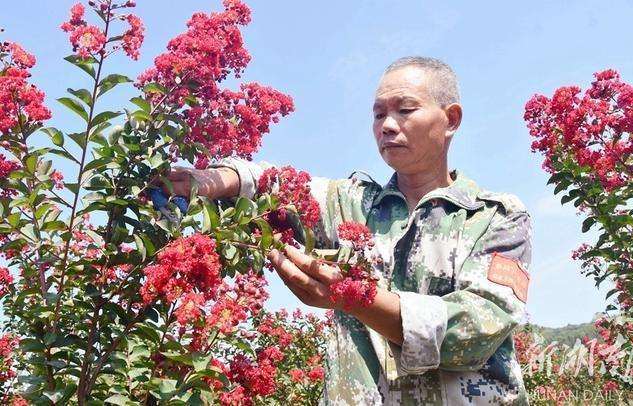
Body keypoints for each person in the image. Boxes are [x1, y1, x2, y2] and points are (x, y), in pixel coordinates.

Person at [162, 56, 533, 405]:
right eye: (378, 114)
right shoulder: (350, 203)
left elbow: (476, 327)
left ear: (451, 120)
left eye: (405, 110)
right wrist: (208, 180)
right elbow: (273, 184)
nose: (387, 125)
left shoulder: (498, 218)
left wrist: (353, 298)